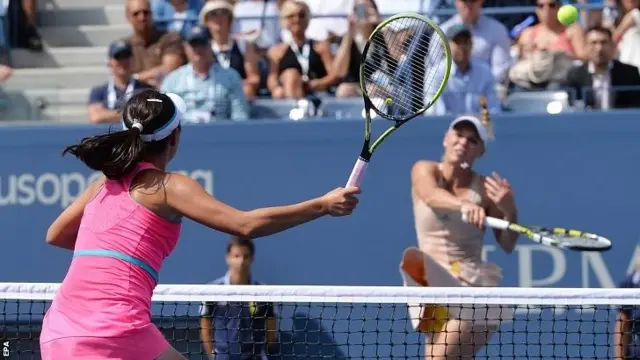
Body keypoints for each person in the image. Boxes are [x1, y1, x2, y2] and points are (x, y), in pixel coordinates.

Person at [39, 89, 360, 360]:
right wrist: (322, 205)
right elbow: (245, 225)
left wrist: (109, 251)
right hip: (116, 330)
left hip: (58, 332)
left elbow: (56, 234)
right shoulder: (168, 186)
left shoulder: (100, 185)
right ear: (175, 138)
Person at [404, 107, 519, 359]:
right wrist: (464, 205)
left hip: (473, 288)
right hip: (430, 285)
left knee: (440, 358)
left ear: (480, 151)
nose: (463, 142)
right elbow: (430, 195)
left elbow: (508, 244)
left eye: (473, 140)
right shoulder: (424, 169)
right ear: (446, 139)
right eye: (458, 134)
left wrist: (509, 210)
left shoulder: (487, 190)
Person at [200, 237, 277, 359]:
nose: (241, 261)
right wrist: (213, 356)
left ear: (252, 259)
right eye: (236, 256)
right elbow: (205, 325)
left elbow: (271, 326)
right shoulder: (213, 290)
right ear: (228, 258)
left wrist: (267, 350)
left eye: (245, 256)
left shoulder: (263, 291)